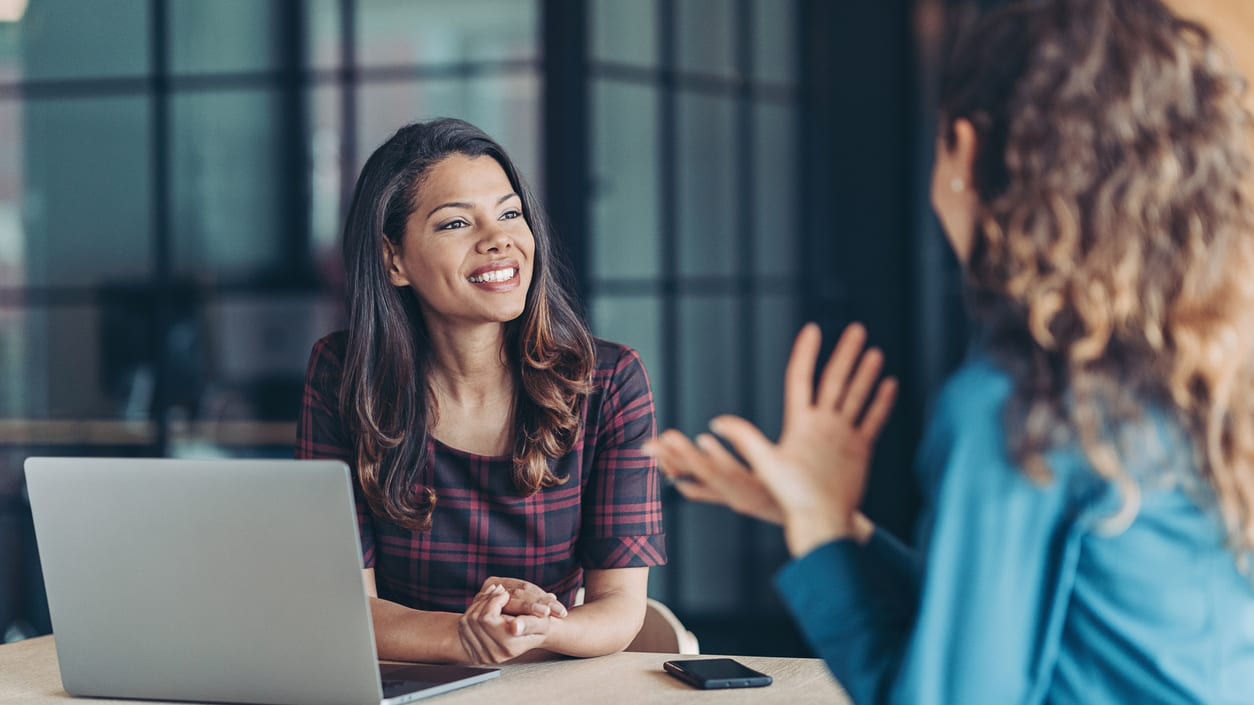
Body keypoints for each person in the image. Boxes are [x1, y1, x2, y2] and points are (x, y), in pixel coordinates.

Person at [646, 0, 1254, 702]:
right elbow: (1023, 625)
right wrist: (828, 523)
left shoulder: (1022, 405)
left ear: (964, 150)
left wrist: (821, 532)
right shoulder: (1197, 367)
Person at [297, 118, 666, 665]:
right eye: (455, 224)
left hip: (549, 684)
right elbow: (344, 604)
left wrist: (536, 626)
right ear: (393, 259)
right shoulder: (342, 375)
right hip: (405, 684)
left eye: (510, 213)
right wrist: (464, 636)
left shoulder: (608, 381)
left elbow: (619, 605)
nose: (499, 240)